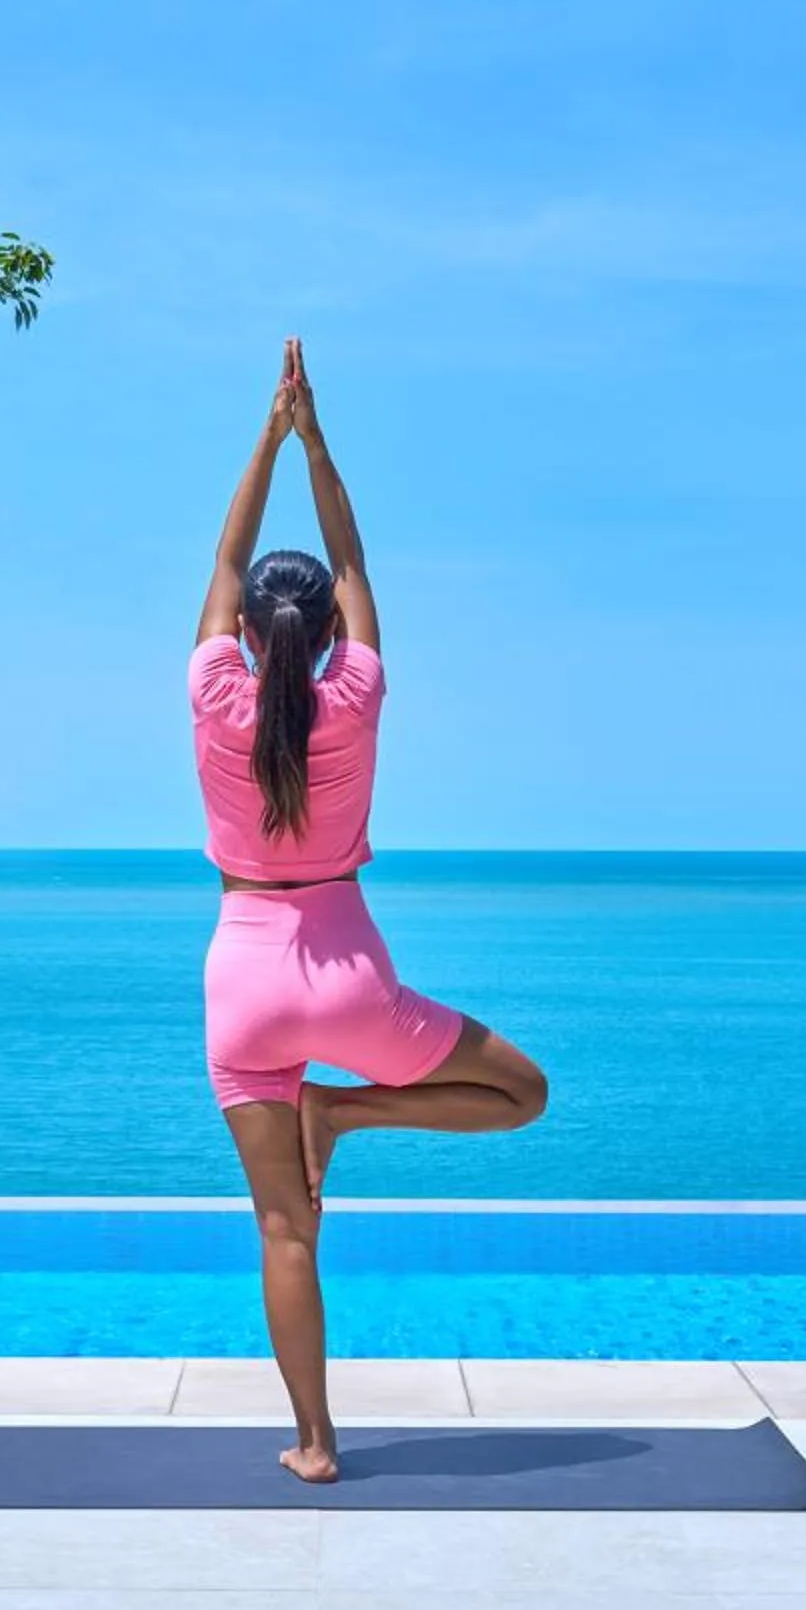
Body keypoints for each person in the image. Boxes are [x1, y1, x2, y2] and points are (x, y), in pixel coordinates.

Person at [192, 337, 550, 1483]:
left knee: (285, 1230)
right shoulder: (358, 691)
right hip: (352, 984)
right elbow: (348, 551)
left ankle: (316, 1442)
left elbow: (227, 551)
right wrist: (316, 437)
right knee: (523, 1092)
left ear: (248, 635)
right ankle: (344, 1118)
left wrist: (267, 428)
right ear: (330, 637)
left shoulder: (212, 691)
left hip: (243, 983)